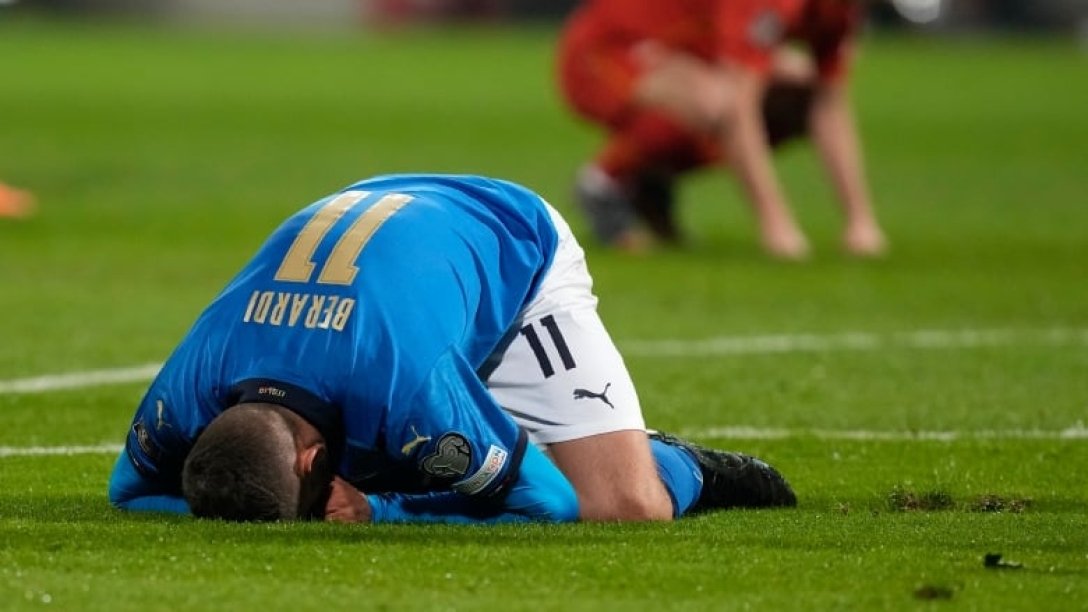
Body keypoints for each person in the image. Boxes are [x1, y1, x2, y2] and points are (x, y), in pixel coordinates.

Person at [108, 173, 796, 524]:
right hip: (392, 229)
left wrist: (379, 512)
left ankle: (682, 462)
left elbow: (550, 504)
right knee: (409, 455)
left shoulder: (405, 383)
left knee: (621, 506)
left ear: (312, 461)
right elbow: (128, 491)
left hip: (512, 239)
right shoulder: (193, 382)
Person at [556, 0, 888, 259]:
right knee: (718, 103)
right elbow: (738, 105)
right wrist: (777, 226)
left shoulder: (840, 10)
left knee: (798, 92)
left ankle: (647, 180)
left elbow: (829, 101)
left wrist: (861, 222)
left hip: (685, 52)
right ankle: (605, 182)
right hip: (604, 51)